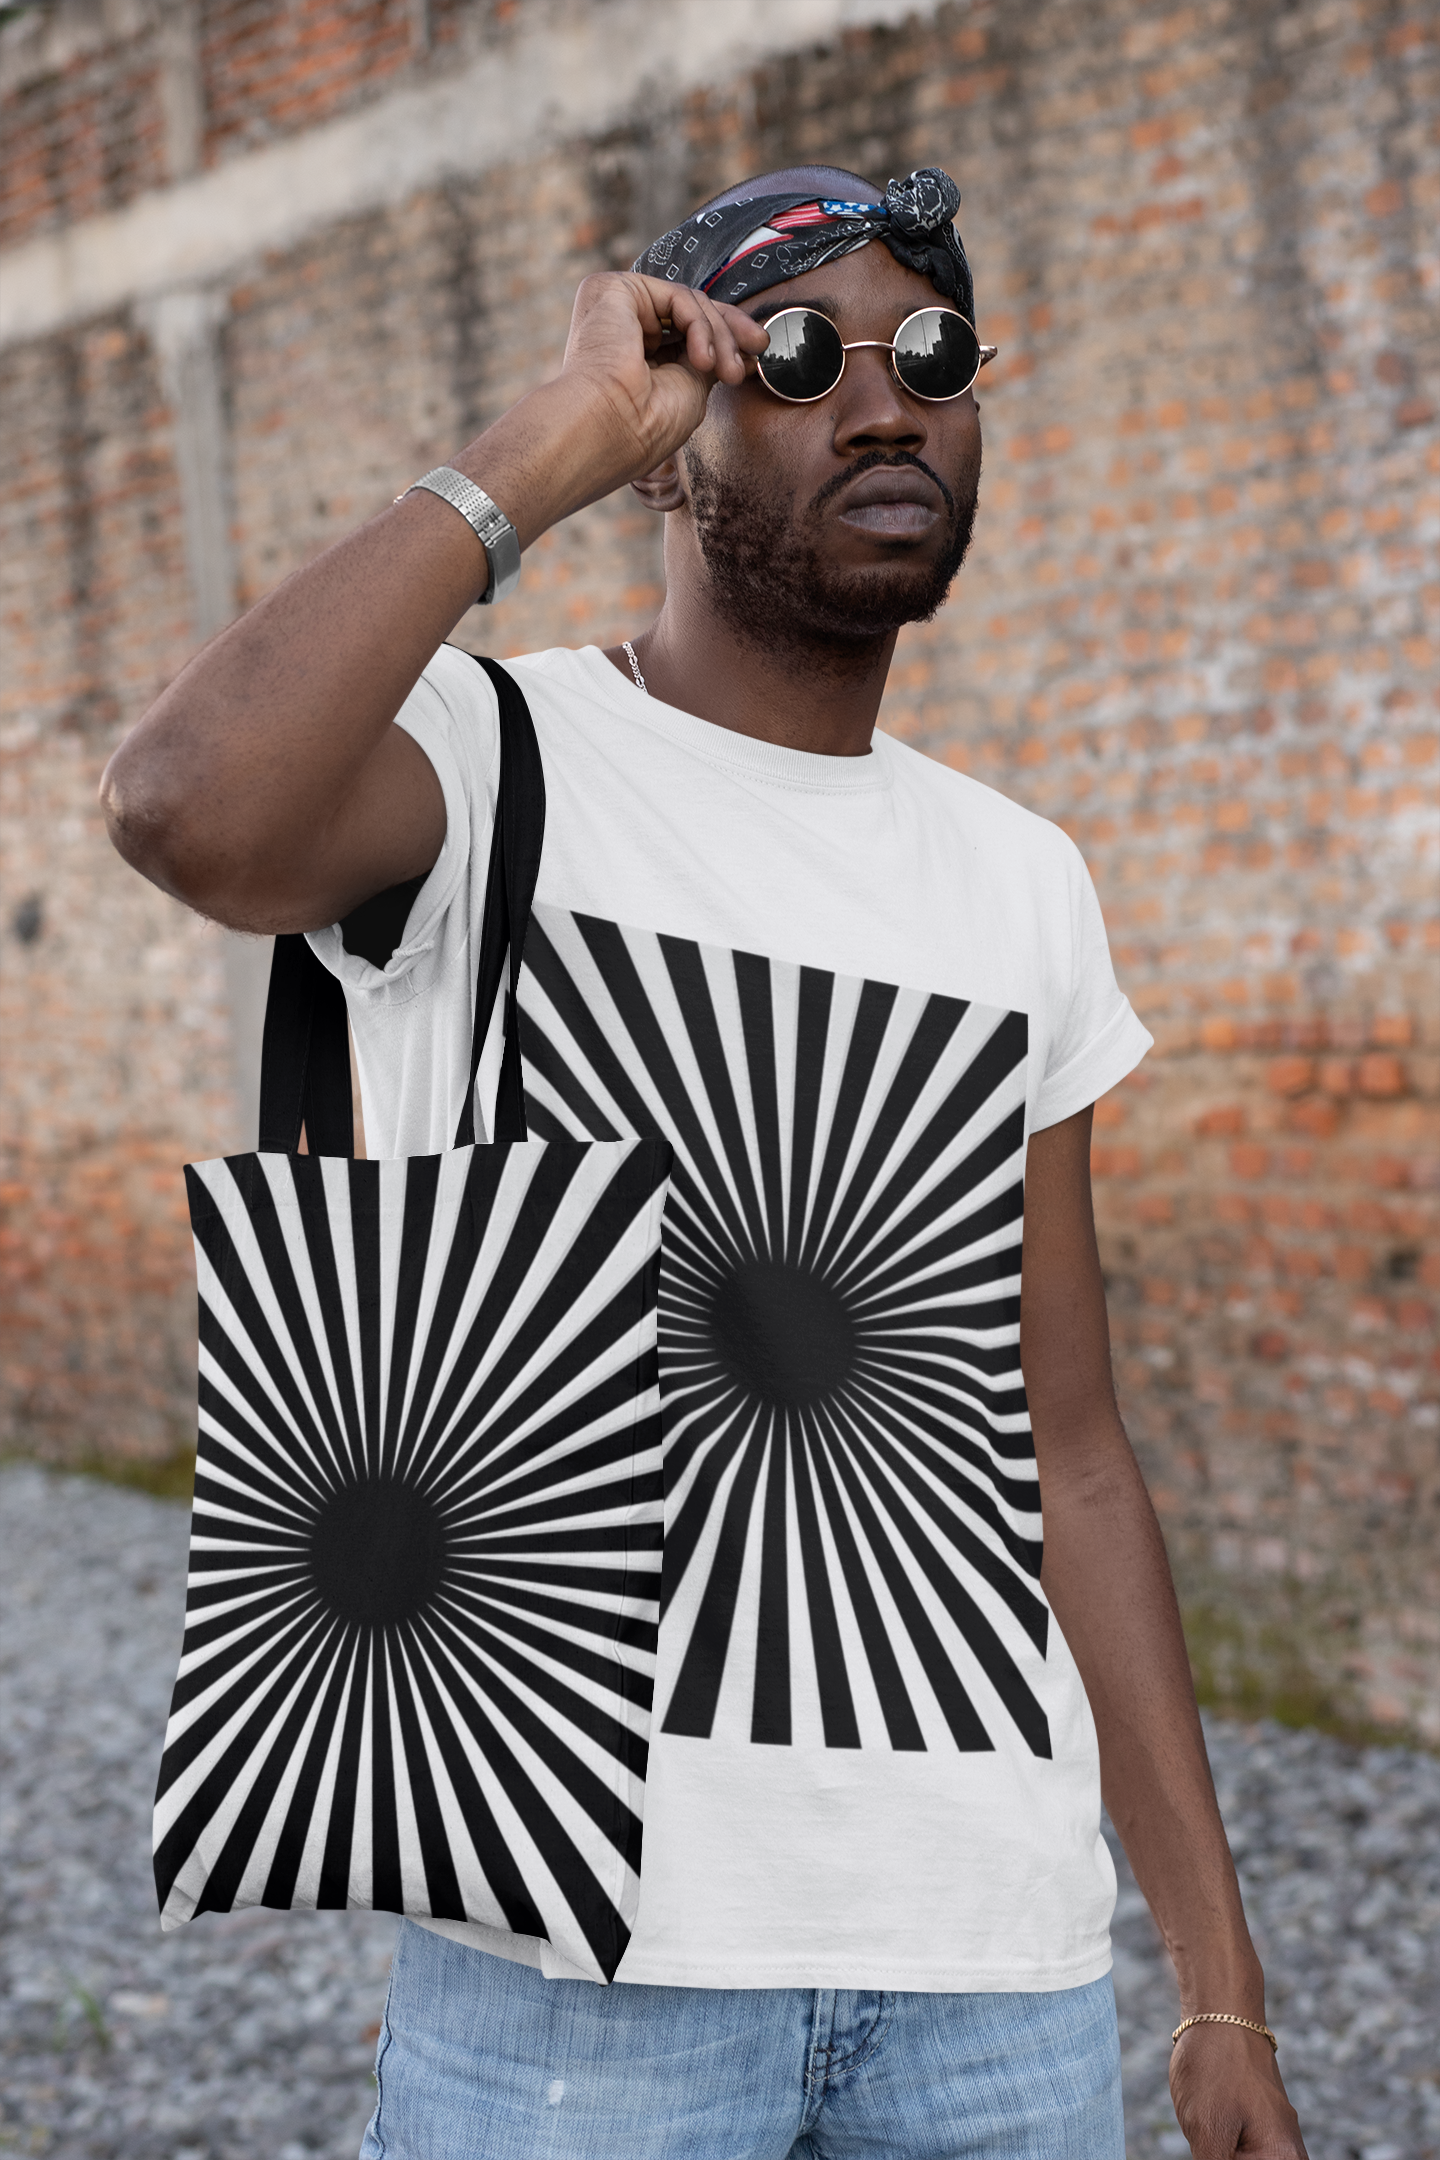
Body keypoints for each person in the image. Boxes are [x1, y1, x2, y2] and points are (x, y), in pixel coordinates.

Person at [102, 164, 1307, 2160]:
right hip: (580, 1964)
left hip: (989, 1970)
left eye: (930, 353)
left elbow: (1068, 1445)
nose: (885, 403)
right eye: (802, 359)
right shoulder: (500, 769)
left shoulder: (1021, 879)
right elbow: (186, 808)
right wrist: (543, 446)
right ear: (674, 443)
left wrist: (1217, 1977)